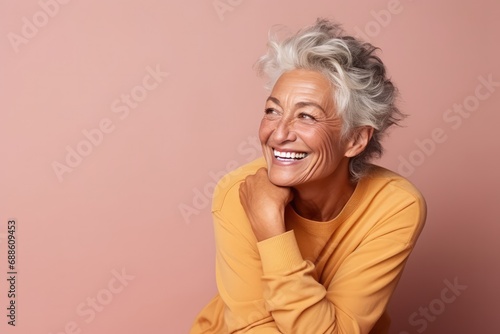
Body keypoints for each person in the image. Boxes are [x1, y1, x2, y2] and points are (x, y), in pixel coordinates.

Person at [190, 18, 426, 334]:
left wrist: (271, 231)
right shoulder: (237, 191)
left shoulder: (395, 205)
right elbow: (253, 328)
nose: (279, 133)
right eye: (272, 111)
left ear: (355, 140)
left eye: (306, 116)